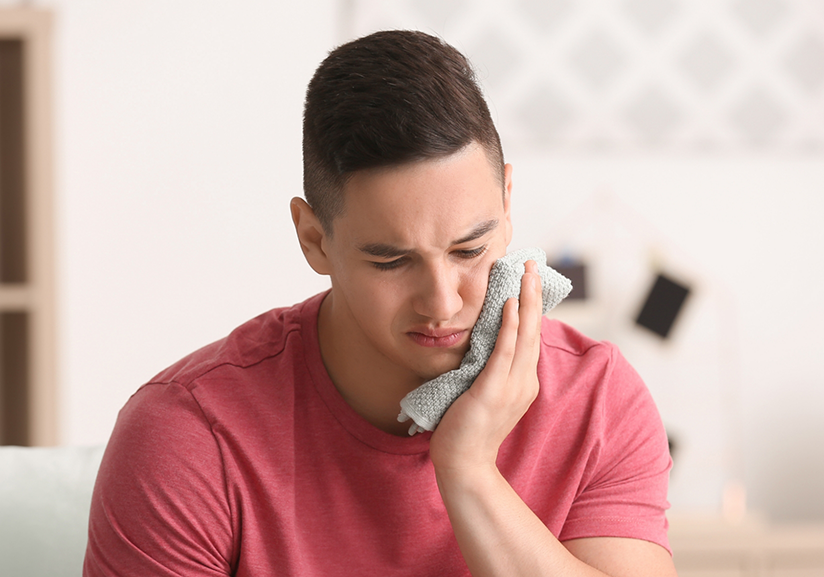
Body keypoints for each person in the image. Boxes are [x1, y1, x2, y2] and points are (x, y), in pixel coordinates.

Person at [84, 30, 676, 576]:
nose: (443, 301)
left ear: (508, 201)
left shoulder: (597, 400)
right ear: (315, 239)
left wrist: (468, 471)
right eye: (391, 261)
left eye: (470, 249)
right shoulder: (190, 435)